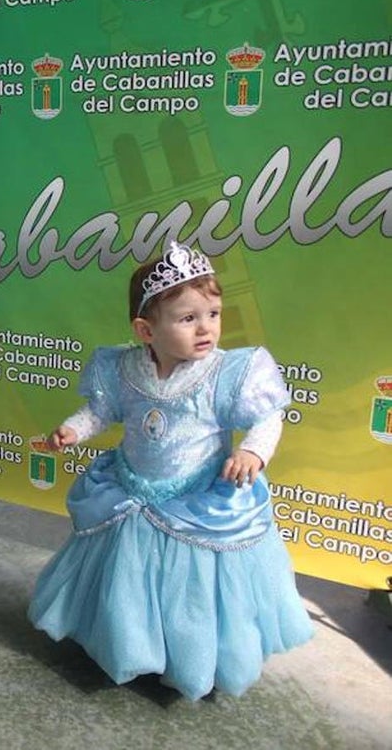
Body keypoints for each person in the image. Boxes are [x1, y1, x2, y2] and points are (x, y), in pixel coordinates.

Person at [28, 241, 313, 701]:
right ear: (146, 330)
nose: (207, 329)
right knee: (128, 577)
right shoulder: (124, 368)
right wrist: (72, 430)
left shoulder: (227, 373)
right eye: (188, 319)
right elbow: (102, 411)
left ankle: (189, 655)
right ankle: (132, 643)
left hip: (197, 500)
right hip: (134, 488)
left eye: (214, 314)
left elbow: (268, 417)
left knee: (192, 589)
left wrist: (253, 454)